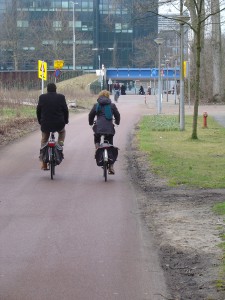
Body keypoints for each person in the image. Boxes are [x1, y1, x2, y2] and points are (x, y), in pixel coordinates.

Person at [36, 82, 69, 170]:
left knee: (44, 140)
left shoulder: (42, 97)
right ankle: (59, 146)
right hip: (59, 123)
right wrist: (66, 120)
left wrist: (40, 121)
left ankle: (44, 164)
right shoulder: (61, 97)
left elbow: (38, 110)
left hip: (45, 123)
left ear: (47, 89)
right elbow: (65, 110)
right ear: (55, 89)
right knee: (62, 132)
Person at [88, 90, 120, 174]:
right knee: (110, 143)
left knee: (97, 137)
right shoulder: (112, 105)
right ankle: (111, 167)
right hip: (109, 128)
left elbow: (90, 115)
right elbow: (117, 115)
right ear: (108, 96)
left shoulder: (96, 105)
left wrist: (91, 123)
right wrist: (117, 122)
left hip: (98, 128)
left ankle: (97, 149)